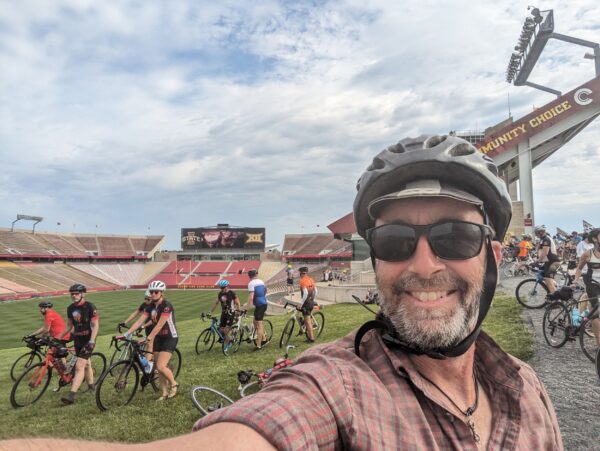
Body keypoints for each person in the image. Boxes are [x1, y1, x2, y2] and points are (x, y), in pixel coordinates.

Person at [0, 135, 563, 449]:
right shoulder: (334, 389)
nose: (422, 262)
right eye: (392, 241)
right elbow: (260, 432)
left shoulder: (527, 389)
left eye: (454, 236)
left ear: (492, 255)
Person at [126, 280, 178, 400]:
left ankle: (174, 384)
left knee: (160, 366)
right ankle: (164, 392)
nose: (153, 294)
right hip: (158, 338)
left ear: (161, 292)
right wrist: (127, 333)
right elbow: (140, 321)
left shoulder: (166, 305)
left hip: (169, 337)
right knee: (158, 368)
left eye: (156, 292)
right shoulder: (150, 307)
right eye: (151, 292)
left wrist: (148, 337)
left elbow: (159, 325)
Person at [58, 284, 99, 405]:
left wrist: (92, 340)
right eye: (72, 294)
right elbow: (69, 325)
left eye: (76, 293)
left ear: (83, 294)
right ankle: (91, 387)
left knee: (79, 366)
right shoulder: (70, 308)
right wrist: (58, 337)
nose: (74, 296)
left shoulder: (90, 306)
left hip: (88, 341)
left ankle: (71, 395)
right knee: (86, 365)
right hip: (78, 340)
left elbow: (95, 325)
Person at [574, 228, 600, 373]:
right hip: (592, 284)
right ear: (595, 239)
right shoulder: (588, 254)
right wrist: (575, 281)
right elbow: (579, 268)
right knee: (596, 311)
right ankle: (598, 343)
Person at [120, 290, 155, 369]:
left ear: (152, 299)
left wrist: (143, 326)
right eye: (145, 298)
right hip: (148, 328)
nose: (146, 300)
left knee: (150, 345)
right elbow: (135, 313)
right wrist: (125, 322)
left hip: (154, 327)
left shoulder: (154, 307)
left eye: (148, 299)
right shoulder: (144, 305)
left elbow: (153, 320)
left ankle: (148, 367)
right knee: (148, 346)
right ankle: (149, 363)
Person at [245, 269, 268, 350]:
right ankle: (264, 338)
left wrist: (246, 308)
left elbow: (251, 297)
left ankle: (258, 345)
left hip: (260, 305)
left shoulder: (251, 283)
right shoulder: (261, 281)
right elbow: (266, 290)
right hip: (262, 304)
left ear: (249, 276)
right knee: (255, 322)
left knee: (258, 325)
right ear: (256, 275)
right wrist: (262, 297)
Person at [534, 225, 560, 294]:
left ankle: (556, 300)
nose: (536, 234)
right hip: (549, 262)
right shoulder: (543, 239)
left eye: (536, 233)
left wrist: (538, 260)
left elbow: (545, 252)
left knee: (548, 280)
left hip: (553, 262)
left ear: (541, 232)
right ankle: (552, 295)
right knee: (547, 280)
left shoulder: (546, 239)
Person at [298, 266, 317, 342]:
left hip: (306, 303)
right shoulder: (311, 279)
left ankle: (311, 338)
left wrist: (301, 303)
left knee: (307, 321)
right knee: (306, 318)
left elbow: (305, 293)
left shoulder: (302, 281)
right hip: (311, 301)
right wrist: (312, 299)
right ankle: (302, 327)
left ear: (301, 273)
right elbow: (316, 290)